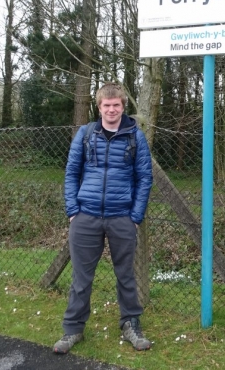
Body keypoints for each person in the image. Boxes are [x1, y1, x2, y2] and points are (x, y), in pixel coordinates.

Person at [53, 83, 153, 354]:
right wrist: (73, 210)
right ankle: (73, 329)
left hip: (122, 217)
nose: (111, 110)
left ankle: (131, 325)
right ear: (99, 107)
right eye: (106, 105)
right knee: (81, 278)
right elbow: (71, 172)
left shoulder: (136, 137)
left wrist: (135, 216)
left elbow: (145, 178)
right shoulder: (85, 134)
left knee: (126, 276)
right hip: (86, 217)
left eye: (116, 105)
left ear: (123, 107)